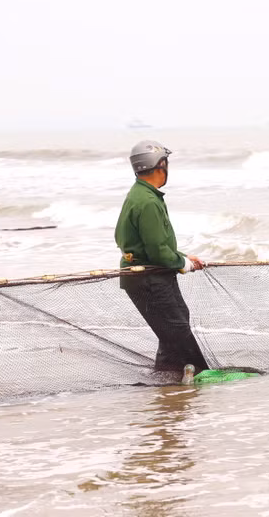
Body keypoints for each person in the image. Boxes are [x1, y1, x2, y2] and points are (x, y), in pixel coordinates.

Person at [115, 140, 209, 372]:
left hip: (149, 276)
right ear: (160, 165)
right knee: (177, 330)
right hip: (148, 279)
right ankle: (201, 374)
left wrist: (182, 257)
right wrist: (181, 263)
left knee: (174, 327)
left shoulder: (142, 195)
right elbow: (156, 251)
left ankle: (166, 377)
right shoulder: (147, 202)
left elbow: (148, 243)